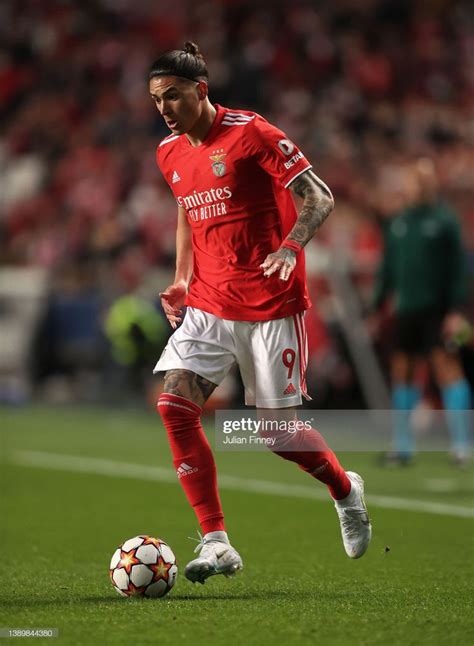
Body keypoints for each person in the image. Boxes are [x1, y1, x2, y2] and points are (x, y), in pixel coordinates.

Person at [150, 42, 372, 584]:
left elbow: (318, 197)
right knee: (175, 406)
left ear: (201, 90)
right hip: (208, 300)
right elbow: (187, 209)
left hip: (271, 302)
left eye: (173, 96)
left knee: (276, 433)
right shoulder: (169, 152)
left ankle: (345, 489)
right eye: (156, 99)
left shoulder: (253, 133)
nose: (164, 108)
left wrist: (290, 248)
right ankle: (216, 540)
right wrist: (181, 278)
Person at [373, 158, 472, 466]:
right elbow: (387, 270)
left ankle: (461, 444)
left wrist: (457, 310)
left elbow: (459, 269)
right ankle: (402, 445)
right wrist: (377, 305)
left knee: (447, 370)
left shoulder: (445, 221)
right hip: (407, 310)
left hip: (438, 311)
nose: (417, 186)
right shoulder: (398, 223)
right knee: (401, 373)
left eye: (422, 180)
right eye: (414, 180)